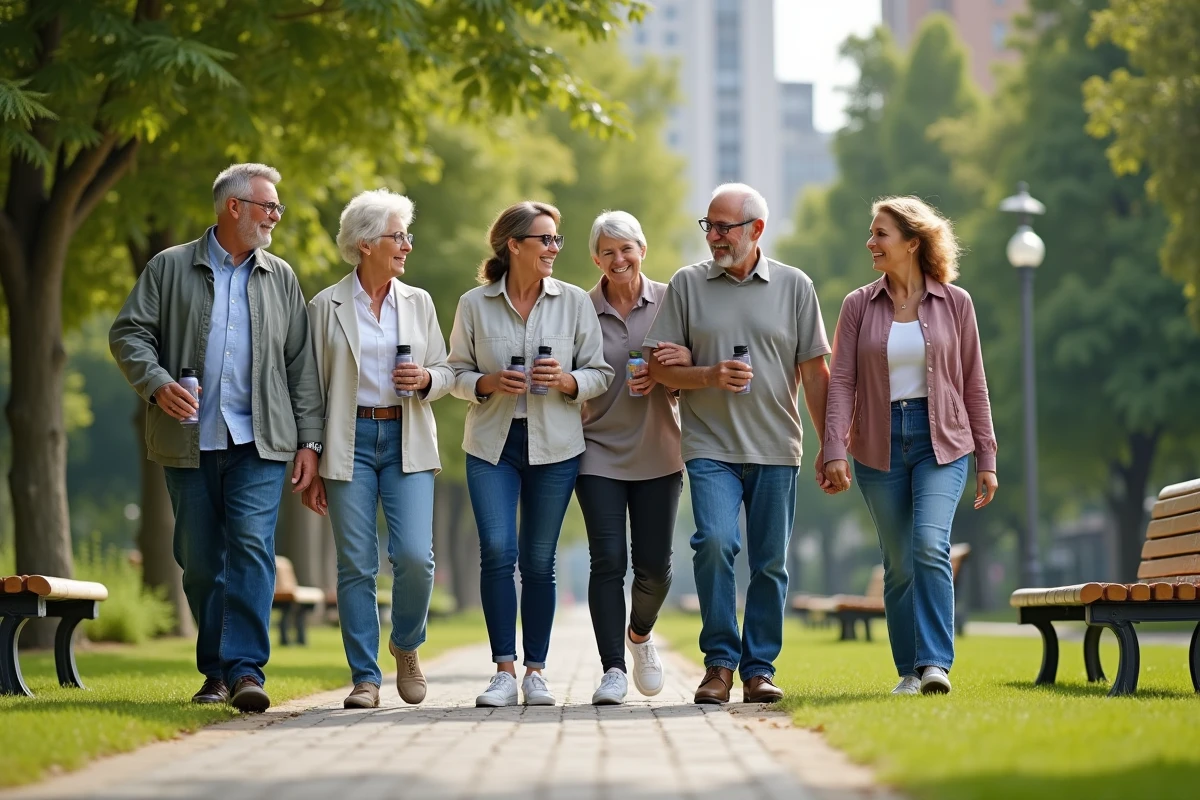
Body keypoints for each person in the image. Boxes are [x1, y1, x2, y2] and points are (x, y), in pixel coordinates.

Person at [110, 163, 323, 713]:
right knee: (201, 560)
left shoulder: (281, 277)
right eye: (268, 206)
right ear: (234, 207)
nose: (275, 216)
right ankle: (216, 671)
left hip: (260, 442)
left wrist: (310, 442)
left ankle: (244, 670)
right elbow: (129, 332)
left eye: (276, 207)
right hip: (188, 441)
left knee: (252, 548)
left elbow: (300, 366)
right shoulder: (169, 266)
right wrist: (156, 383)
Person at [646, 183, 832, 705]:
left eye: (724, 227)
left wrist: (831, 446)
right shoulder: (687, 285)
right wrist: (708, 374)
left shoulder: (795, 286)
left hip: (776, 446)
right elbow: (657, 367)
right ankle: (720, 665)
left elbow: (815, 374)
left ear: (757, 229)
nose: (714, 236)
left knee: (769, 562)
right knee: (714, 542)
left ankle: (759, 670)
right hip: (709, 446)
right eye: (709, 226)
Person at [823, 196, 998, 697]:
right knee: (898, 562)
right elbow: (841, 382)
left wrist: (987, 456)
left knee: (928, 544)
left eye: (881, 234)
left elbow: (974, 383)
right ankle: (908, 670)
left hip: (942, 441)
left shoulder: (956, 303)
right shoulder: (858, 305)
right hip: (877, 443)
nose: (870, 243)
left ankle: (935, 663)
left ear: (913, 242)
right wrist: (834, 448)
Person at [448, 201, 613, 708]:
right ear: (514, 245)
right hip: (491, 445)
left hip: (556, 446)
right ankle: (503, 671)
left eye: (556, 239)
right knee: (498, 551)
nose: (554, 248)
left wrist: (566, 381)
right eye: (545, 239)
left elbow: (601, 373)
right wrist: (487, 382)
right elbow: (454, 373)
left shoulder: (575, 303)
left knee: (539, 561)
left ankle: (536, 672)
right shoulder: (474, 304)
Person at [302, 189, 454, 709]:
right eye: (398, 236)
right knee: (356, 565)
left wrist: (426, 378)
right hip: (348, 442)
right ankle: (365, 677)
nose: (407, 245)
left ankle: (406, 645)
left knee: (415, 558)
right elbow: (310, 388)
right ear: (366, 244)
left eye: (407, 236)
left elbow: (447, 370)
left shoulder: (419, 302)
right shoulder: (325, 306)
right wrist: (311, 453)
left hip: (407, 436)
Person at [577, 211, 693, 706]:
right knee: (607, 560)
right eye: (607, 251)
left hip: (660, 450)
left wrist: (670, 376)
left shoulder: (672, 300)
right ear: (596, 259)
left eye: (626, 249)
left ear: (642, 250)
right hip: (595, 451)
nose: (618, 259)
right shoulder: (579, 309)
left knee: (655, 568)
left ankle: (640, 635)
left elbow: (693, 368)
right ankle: (612, 670)